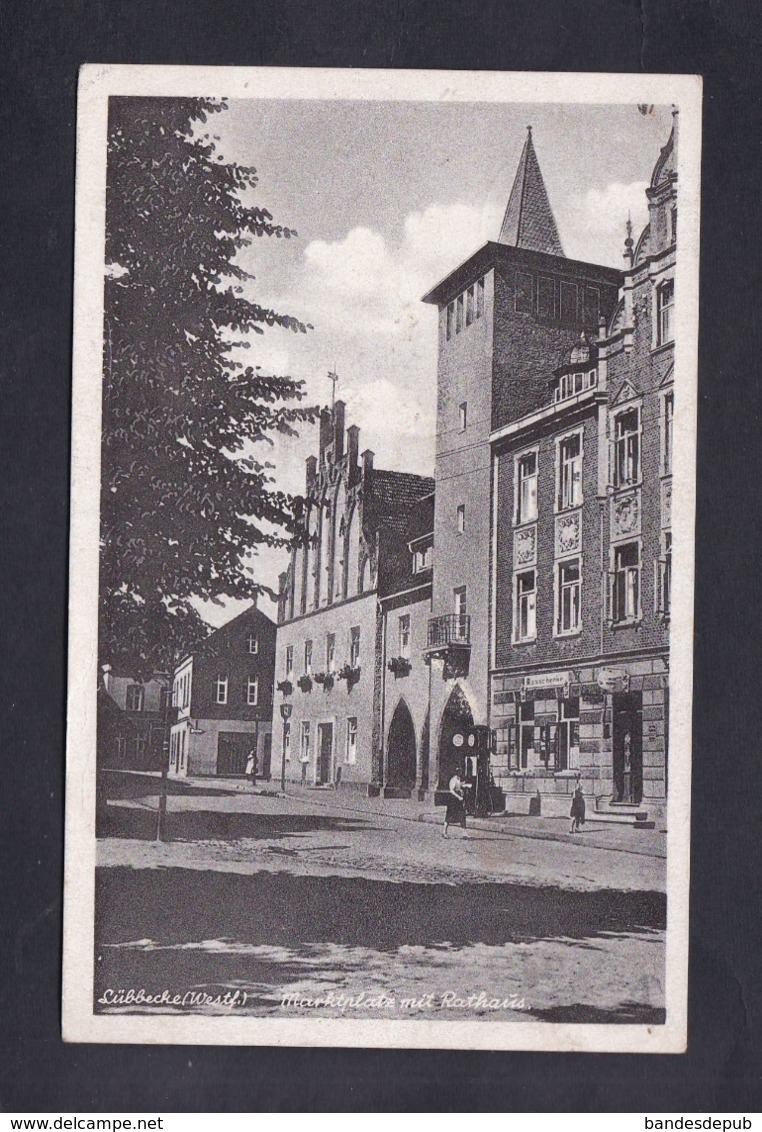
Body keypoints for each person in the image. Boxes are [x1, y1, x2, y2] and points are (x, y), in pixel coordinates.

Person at [443, 769, 467, 838]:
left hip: (458, 800)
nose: (460, 772)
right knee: (449, 816)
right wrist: (458, 797)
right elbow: (452, 790)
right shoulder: (453, 780)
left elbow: (457, 787)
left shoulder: (459, 779)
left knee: (462, 815)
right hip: (453, 800)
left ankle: (464, 833)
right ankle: (444, 831)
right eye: (459, 771)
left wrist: (461, 789)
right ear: (456, 772)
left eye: (461, 771)